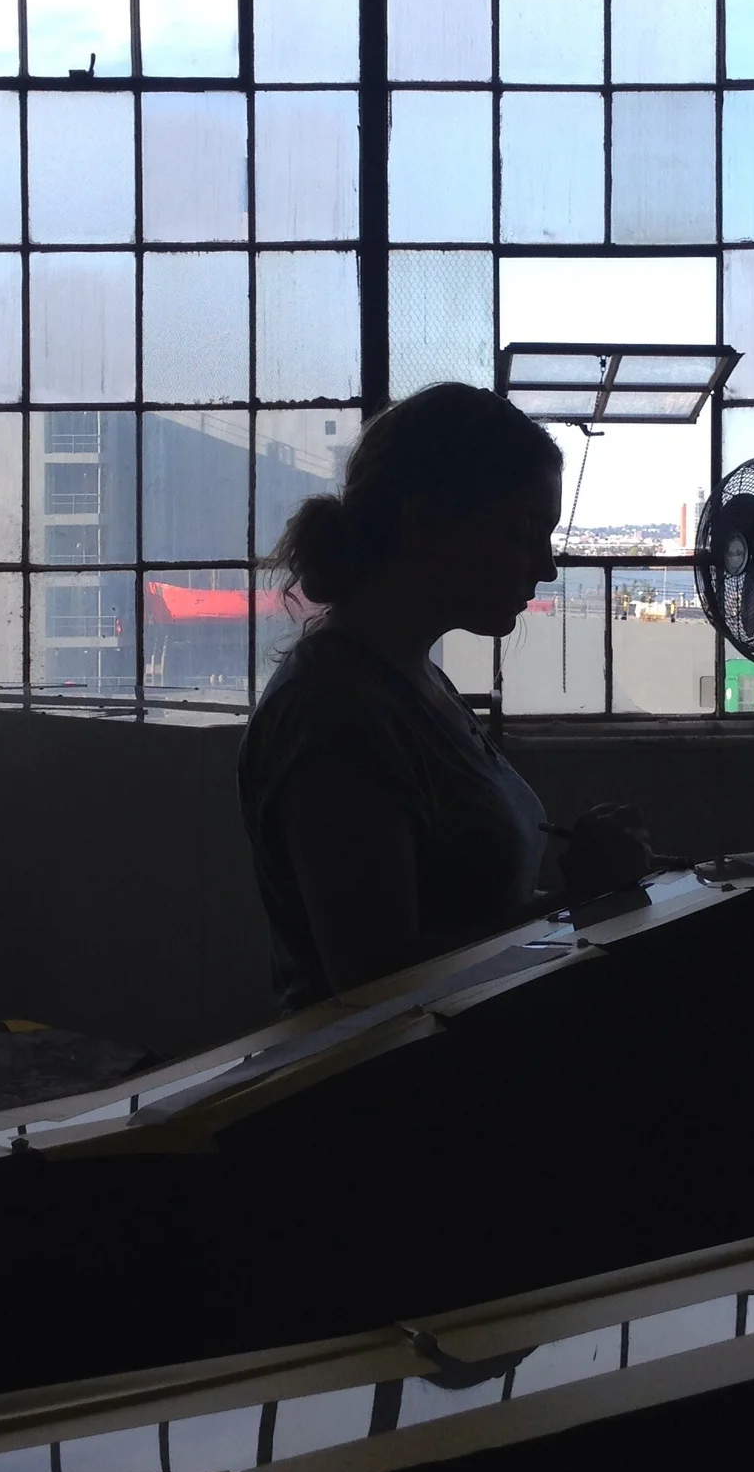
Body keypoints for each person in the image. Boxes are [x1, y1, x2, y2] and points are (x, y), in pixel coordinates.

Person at [239, 383, 654, 1011]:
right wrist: (578, 900)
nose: (545, 567)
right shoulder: (334, 715)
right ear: (426, 523)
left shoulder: (407, 680)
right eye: (523, 532)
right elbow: (374, 980)